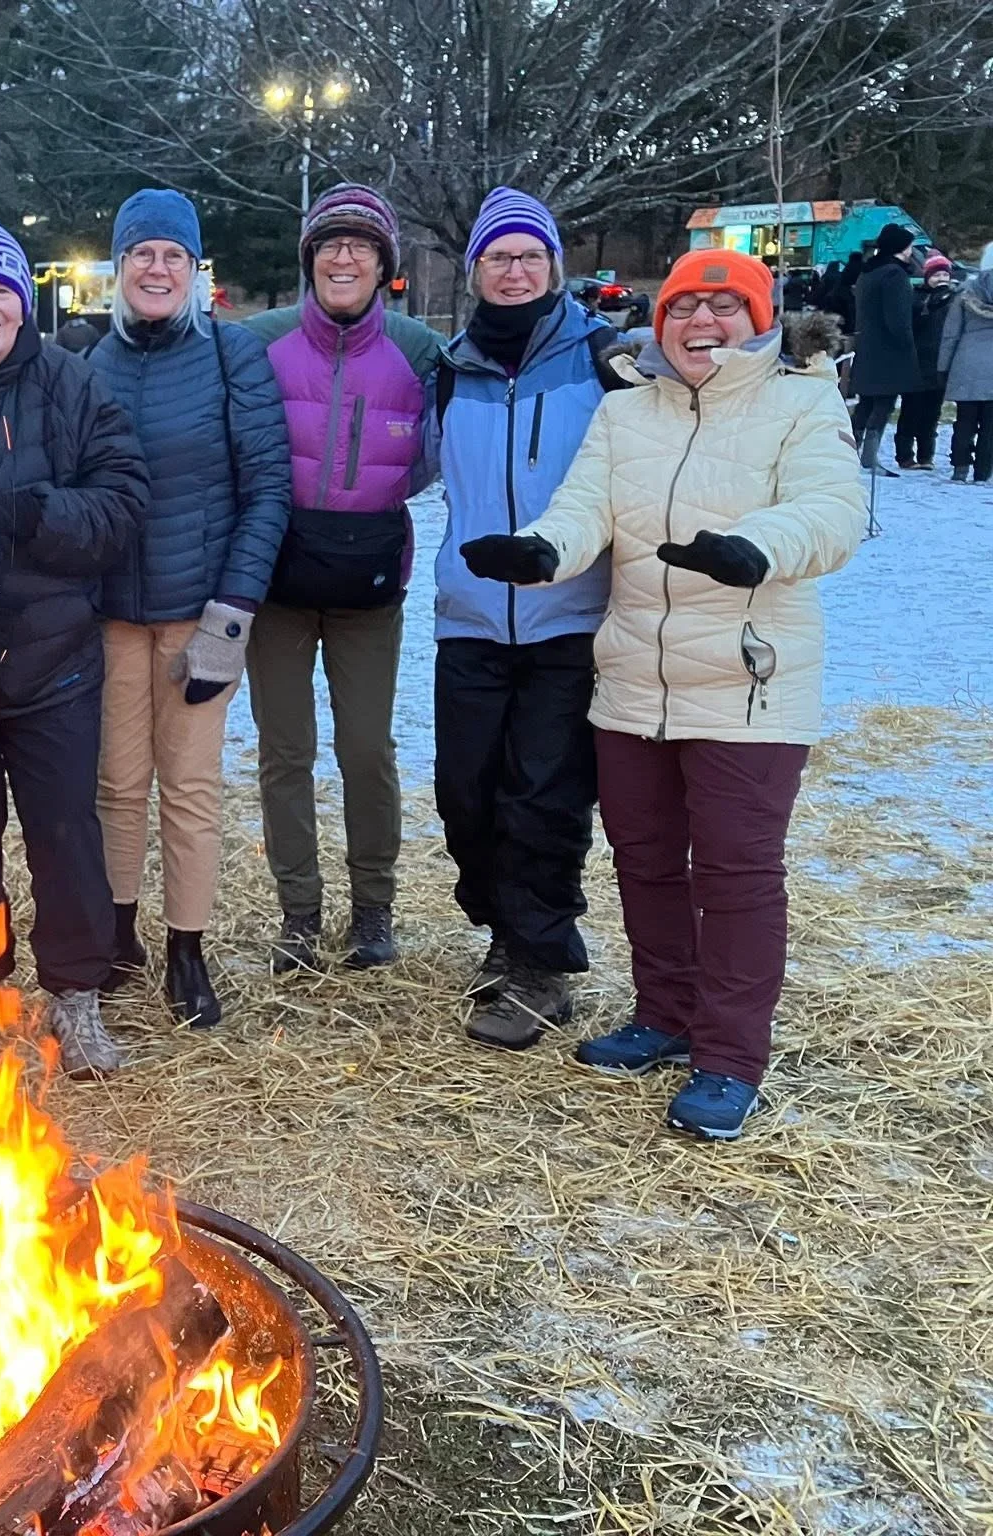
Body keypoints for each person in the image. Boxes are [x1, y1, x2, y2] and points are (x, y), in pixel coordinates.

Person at [460, 250, 863, 1141]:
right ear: (662, 320)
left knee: (736, 871)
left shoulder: (801, 401)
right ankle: (665, 1014)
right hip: (636, 677)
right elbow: (584, 510)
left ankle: (729, 1055)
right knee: (642, 859)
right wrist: (541, 551)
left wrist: (756, 544)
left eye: (725, 306)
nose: (702, 324)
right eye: (686, 307)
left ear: (758, 319)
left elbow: (834, 511)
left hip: (747, 681)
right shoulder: (625, 409)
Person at [0, 211, 146, 1078]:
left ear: (22, 303)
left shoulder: (73, 384)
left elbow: (124, 502)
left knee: (64, 833)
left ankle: (75, 997)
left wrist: (38, 514)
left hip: (54, 656)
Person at [426, 187, 629, 1048]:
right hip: (470, 615)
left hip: (567, 616)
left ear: (555, 266)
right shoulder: (450, 365)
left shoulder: (604, 358)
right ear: (476, 269)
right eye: (498, 257)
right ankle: (503, 928)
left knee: (542, 795)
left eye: (529, 256)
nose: (514, 270)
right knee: (465, 793)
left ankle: (539, 963)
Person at [86, 189, 291, 1029]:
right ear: (121, 267)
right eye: (143, 254)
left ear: (194, 269)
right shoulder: (86, 361)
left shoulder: (230, 357)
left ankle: (188, 945)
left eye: (174, 254)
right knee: (116, 783)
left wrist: (232, 614)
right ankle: (117, 929)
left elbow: (267, 488)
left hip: (199, 612)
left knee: (191, 786)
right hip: (109, 615)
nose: (157, 267)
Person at [237, 185, 440, 975]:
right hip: (281, 580)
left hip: (369, 581)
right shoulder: (262, 343)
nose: (344, 256)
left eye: (361, 244)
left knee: (365, 748)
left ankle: (372, 909)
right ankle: (299, 912)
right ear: (309, 261)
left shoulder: (420, 351)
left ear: (385, 263)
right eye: (330, 243)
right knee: (285, 750)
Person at [849, 225, 919, 477]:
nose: (912, 251)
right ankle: (869, 457)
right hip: (888, 351)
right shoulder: (894, 275)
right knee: (883, 403)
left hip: (868, 347)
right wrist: (907, 346)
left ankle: (848, 451)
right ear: (901, 248)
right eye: (910, 246)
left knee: (866, 402)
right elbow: (898, 320)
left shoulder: (868, 273)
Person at [937, 243, 993, 483]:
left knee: (965, 420)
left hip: (966, 363)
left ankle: (960, 467)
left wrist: (943, 366)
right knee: (991, 425)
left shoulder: (965, 292)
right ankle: (983, 471)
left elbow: (951, 334)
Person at [894, 255, 955, 472]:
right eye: (937, 274)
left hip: (939, 364)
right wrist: (932, 303)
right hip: (917, 362)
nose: (941, 279)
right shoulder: (916, 298)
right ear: (927, 276)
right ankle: (905, 455)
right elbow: (912, 324)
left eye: (945, 274)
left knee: (932, 414)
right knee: (911, 412)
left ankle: (926, 455)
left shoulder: (953, 299)